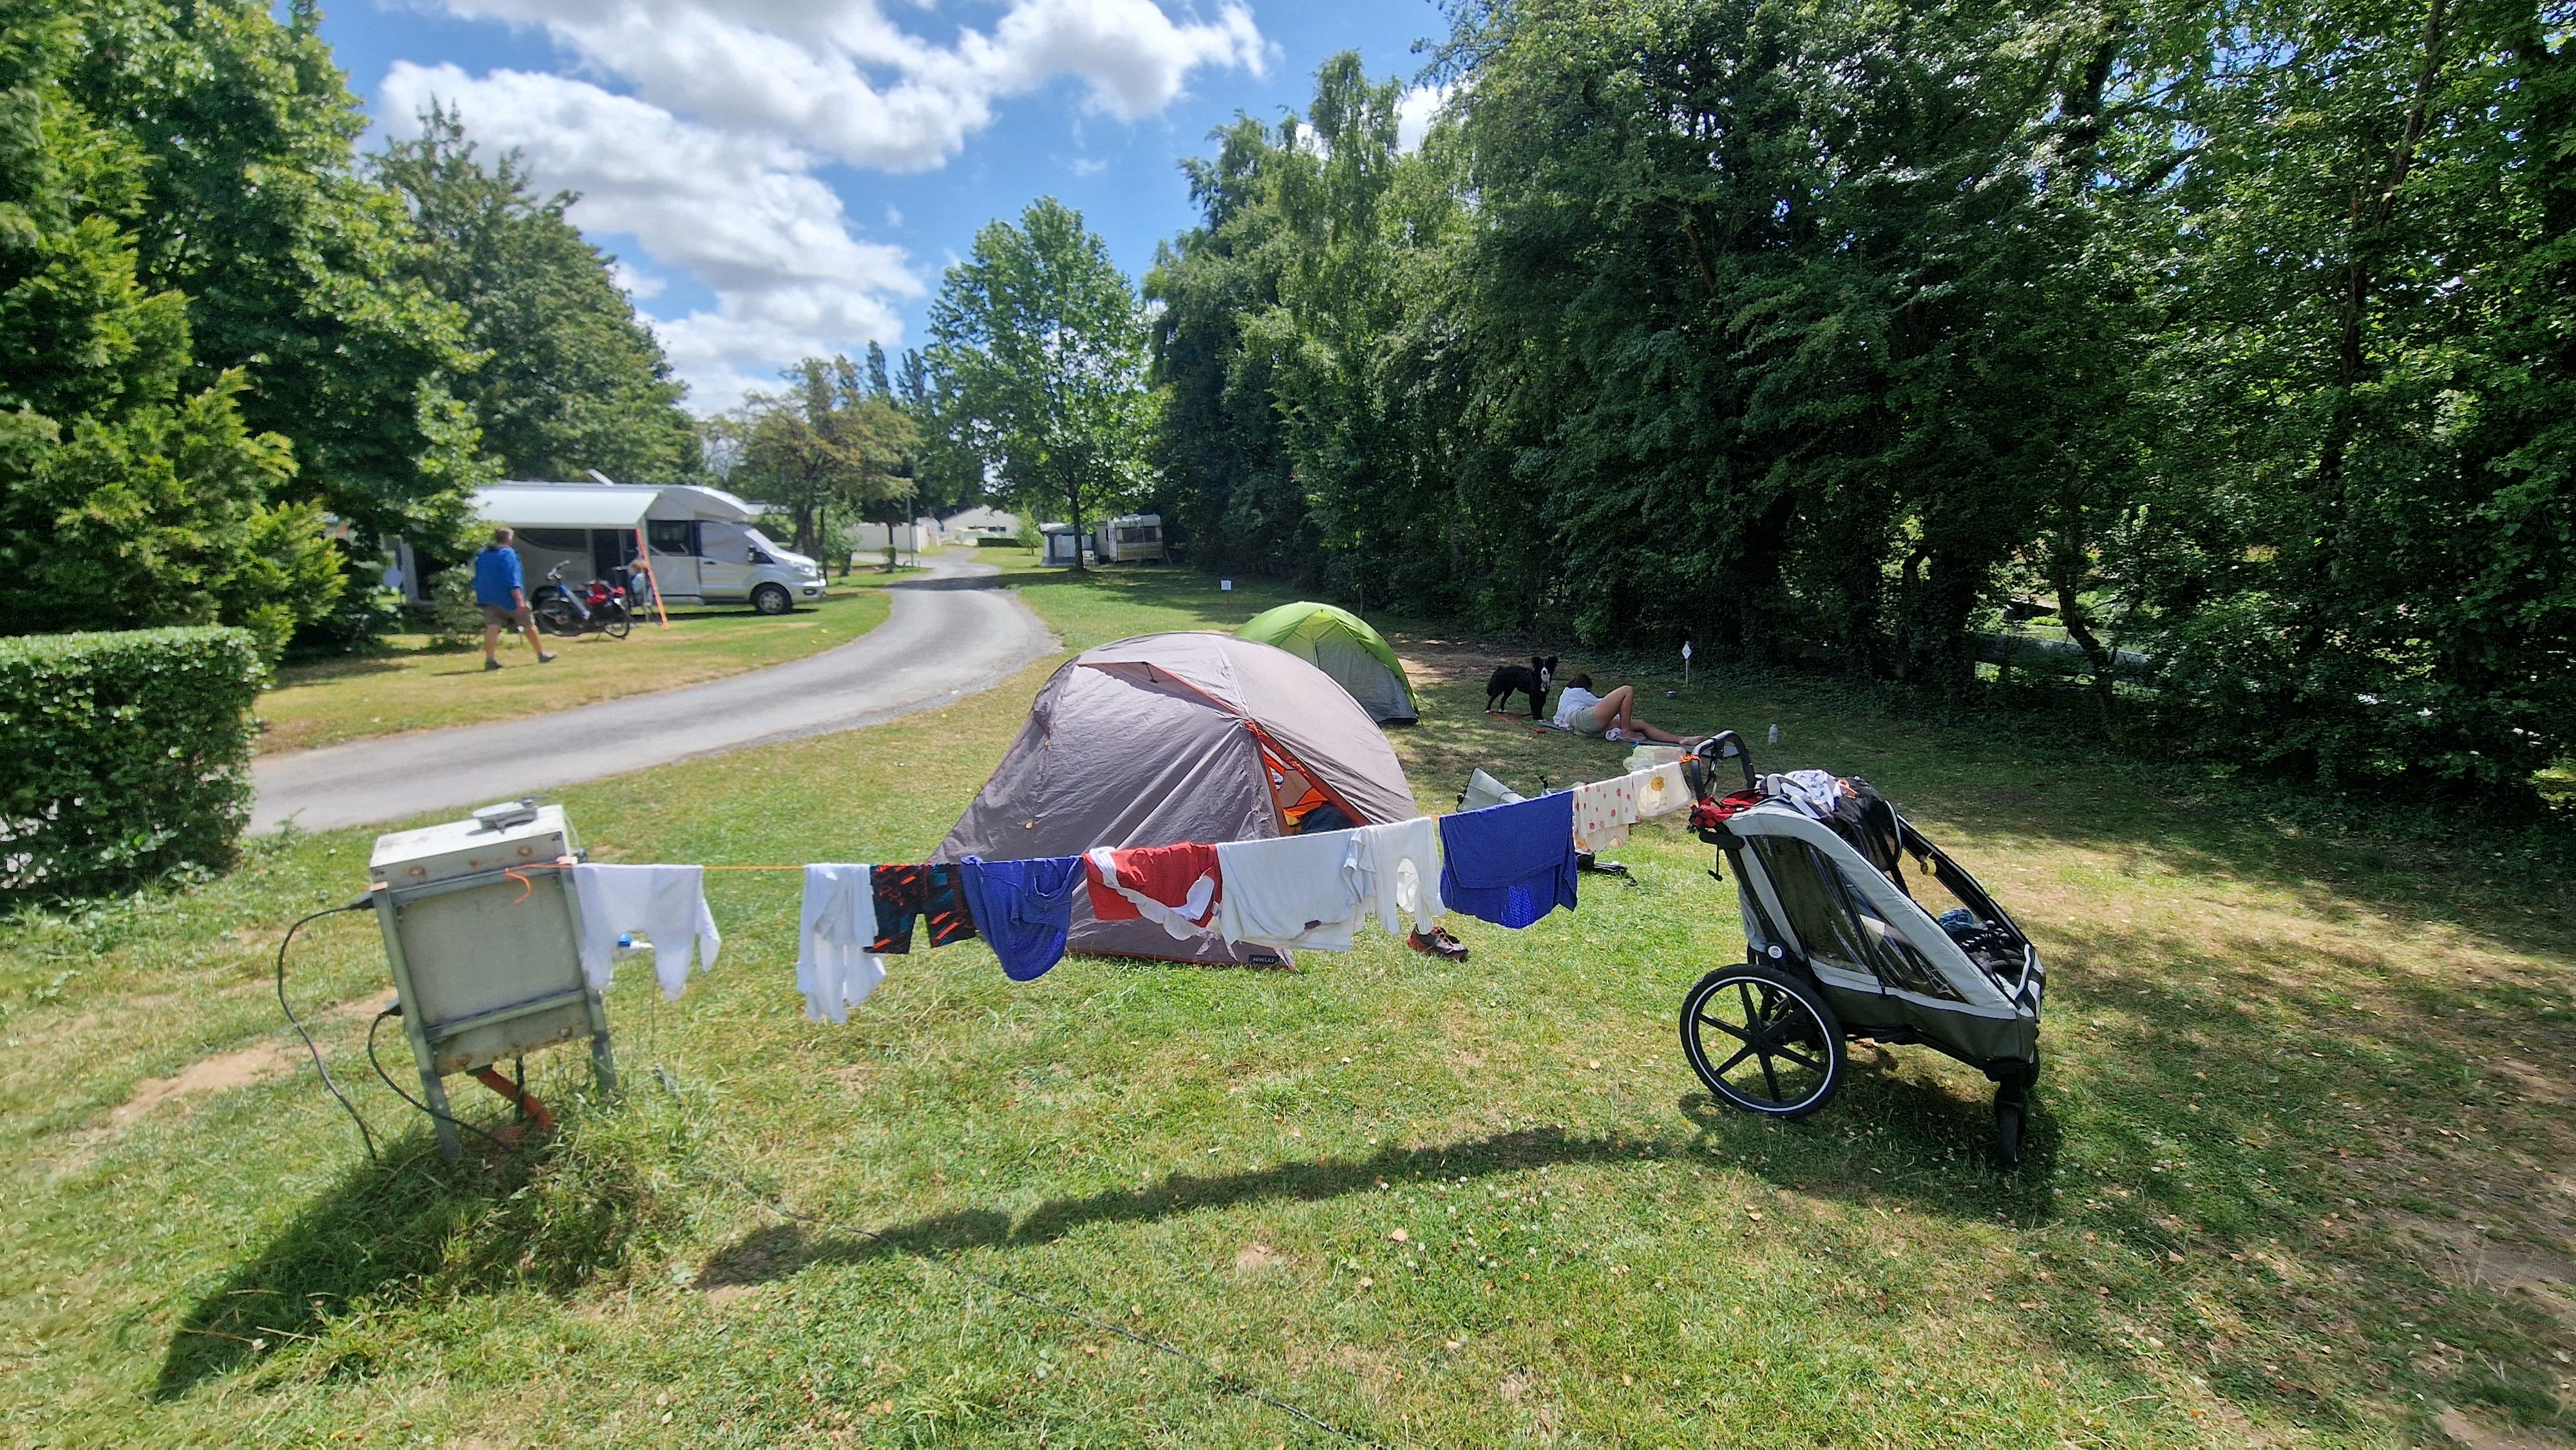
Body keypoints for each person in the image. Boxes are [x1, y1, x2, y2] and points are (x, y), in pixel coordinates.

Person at [473, 527, 555, 671]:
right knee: (529, 625)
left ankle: (490, 661)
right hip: (509, 599)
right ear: (509, 539)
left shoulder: (483, 554)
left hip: (489, 598)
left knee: (493, 627)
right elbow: (513, 579)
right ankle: (541, 654)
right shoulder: (508, 554)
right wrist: (519, 601)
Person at [1552, 673, 1698, 746]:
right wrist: (1622, 709)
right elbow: (1603, 704)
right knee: (1626, 691)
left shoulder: (1566, 697)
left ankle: (1681, 740)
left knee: (1640, 724)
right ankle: (1627, 732)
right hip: (1583, 720)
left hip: (1583, 727)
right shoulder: (1576, 692)